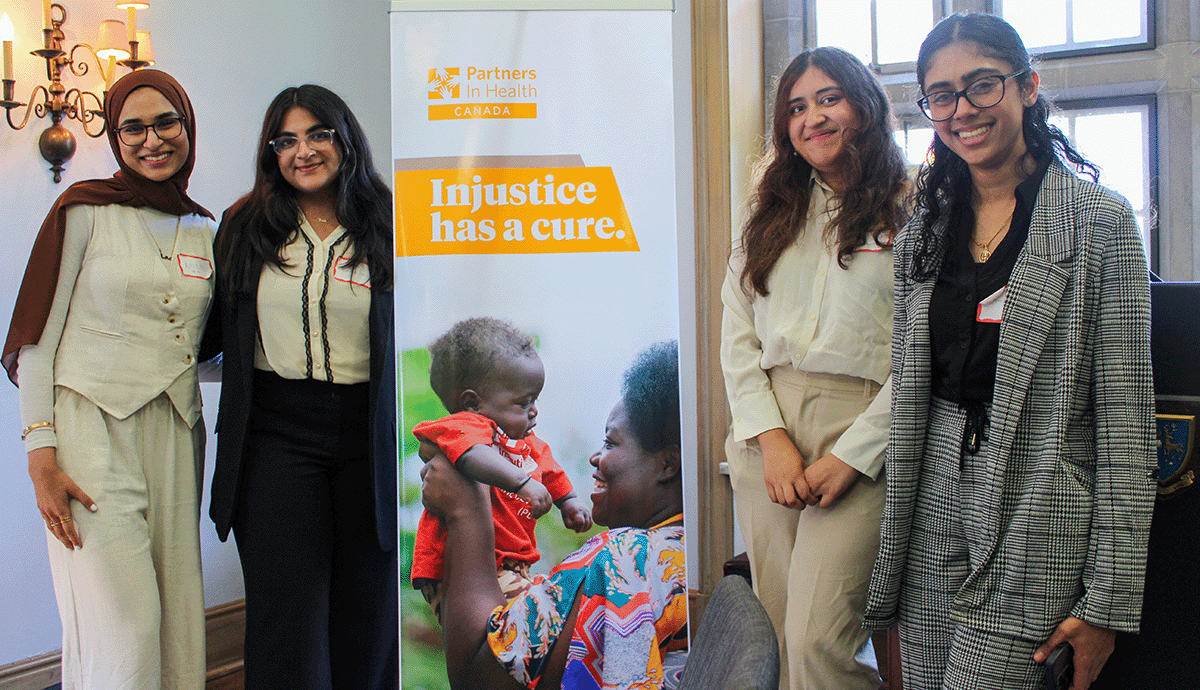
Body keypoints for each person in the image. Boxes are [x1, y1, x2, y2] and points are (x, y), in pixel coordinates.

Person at [864, 13, 1156, 690]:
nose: (962, 109)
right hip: (931, 502)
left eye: (982, 86)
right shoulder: (923, 235)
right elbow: (911, 392)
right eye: (942, 95)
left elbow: (1125, 426)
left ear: (1027, 87)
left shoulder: (1100, 224)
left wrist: (1107, 603)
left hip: (1038, 505)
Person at [4, 69, 214, 689]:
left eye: (166, 123)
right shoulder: (84, 209)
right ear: (115, 136)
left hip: (177, 434)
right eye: (133, 128)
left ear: (187, 126)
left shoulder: (206, 226)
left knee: (178, 618)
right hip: (89, 432)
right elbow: (37, 338)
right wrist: (40, 452)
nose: (152, 140)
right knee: (125, 622)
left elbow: (203, 348)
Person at [720, 46, 908, 690]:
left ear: (865, 105)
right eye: (796, 108)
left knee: (817, 642)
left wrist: (854, 453)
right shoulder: (768, 210)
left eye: (829, 98)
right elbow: (737, 331)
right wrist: (770, 440)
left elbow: (925, 349)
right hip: (767, 432)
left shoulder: (913, 210)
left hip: (863, 430)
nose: (812, 118)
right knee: (776, 638)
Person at [207, 84, 398, 690]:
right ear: (271, 153)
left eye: (318, 134)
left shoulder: (392, 221)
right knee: (287, 614)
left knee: (366, 607)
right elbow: (207, 326)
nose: (303, 151)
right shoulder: (244, 225)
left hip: (368, 433)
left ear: (346, 139)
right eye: (285, 140)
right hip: (275, 435)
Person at [420, 340, 688, 690]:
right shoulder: (690, 557)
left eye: (611, 443)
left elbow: (478, 678)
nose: (595, 458)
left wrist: (464, 509)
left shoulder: (618, 559)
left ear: (667, 465)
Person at [411, 317, 593, 618]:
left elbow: (551, 471)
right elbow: (471, 455)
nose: (534, 411)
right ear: (472, 403)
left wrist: (569, 502)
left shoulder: (527, 443)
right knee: (532, 620)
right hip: (460, 564)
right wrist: (523, 483)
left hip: (511, 565)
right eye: (523, 403)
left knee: (535, 617)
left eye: (535, 399)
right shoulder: (464, 427)